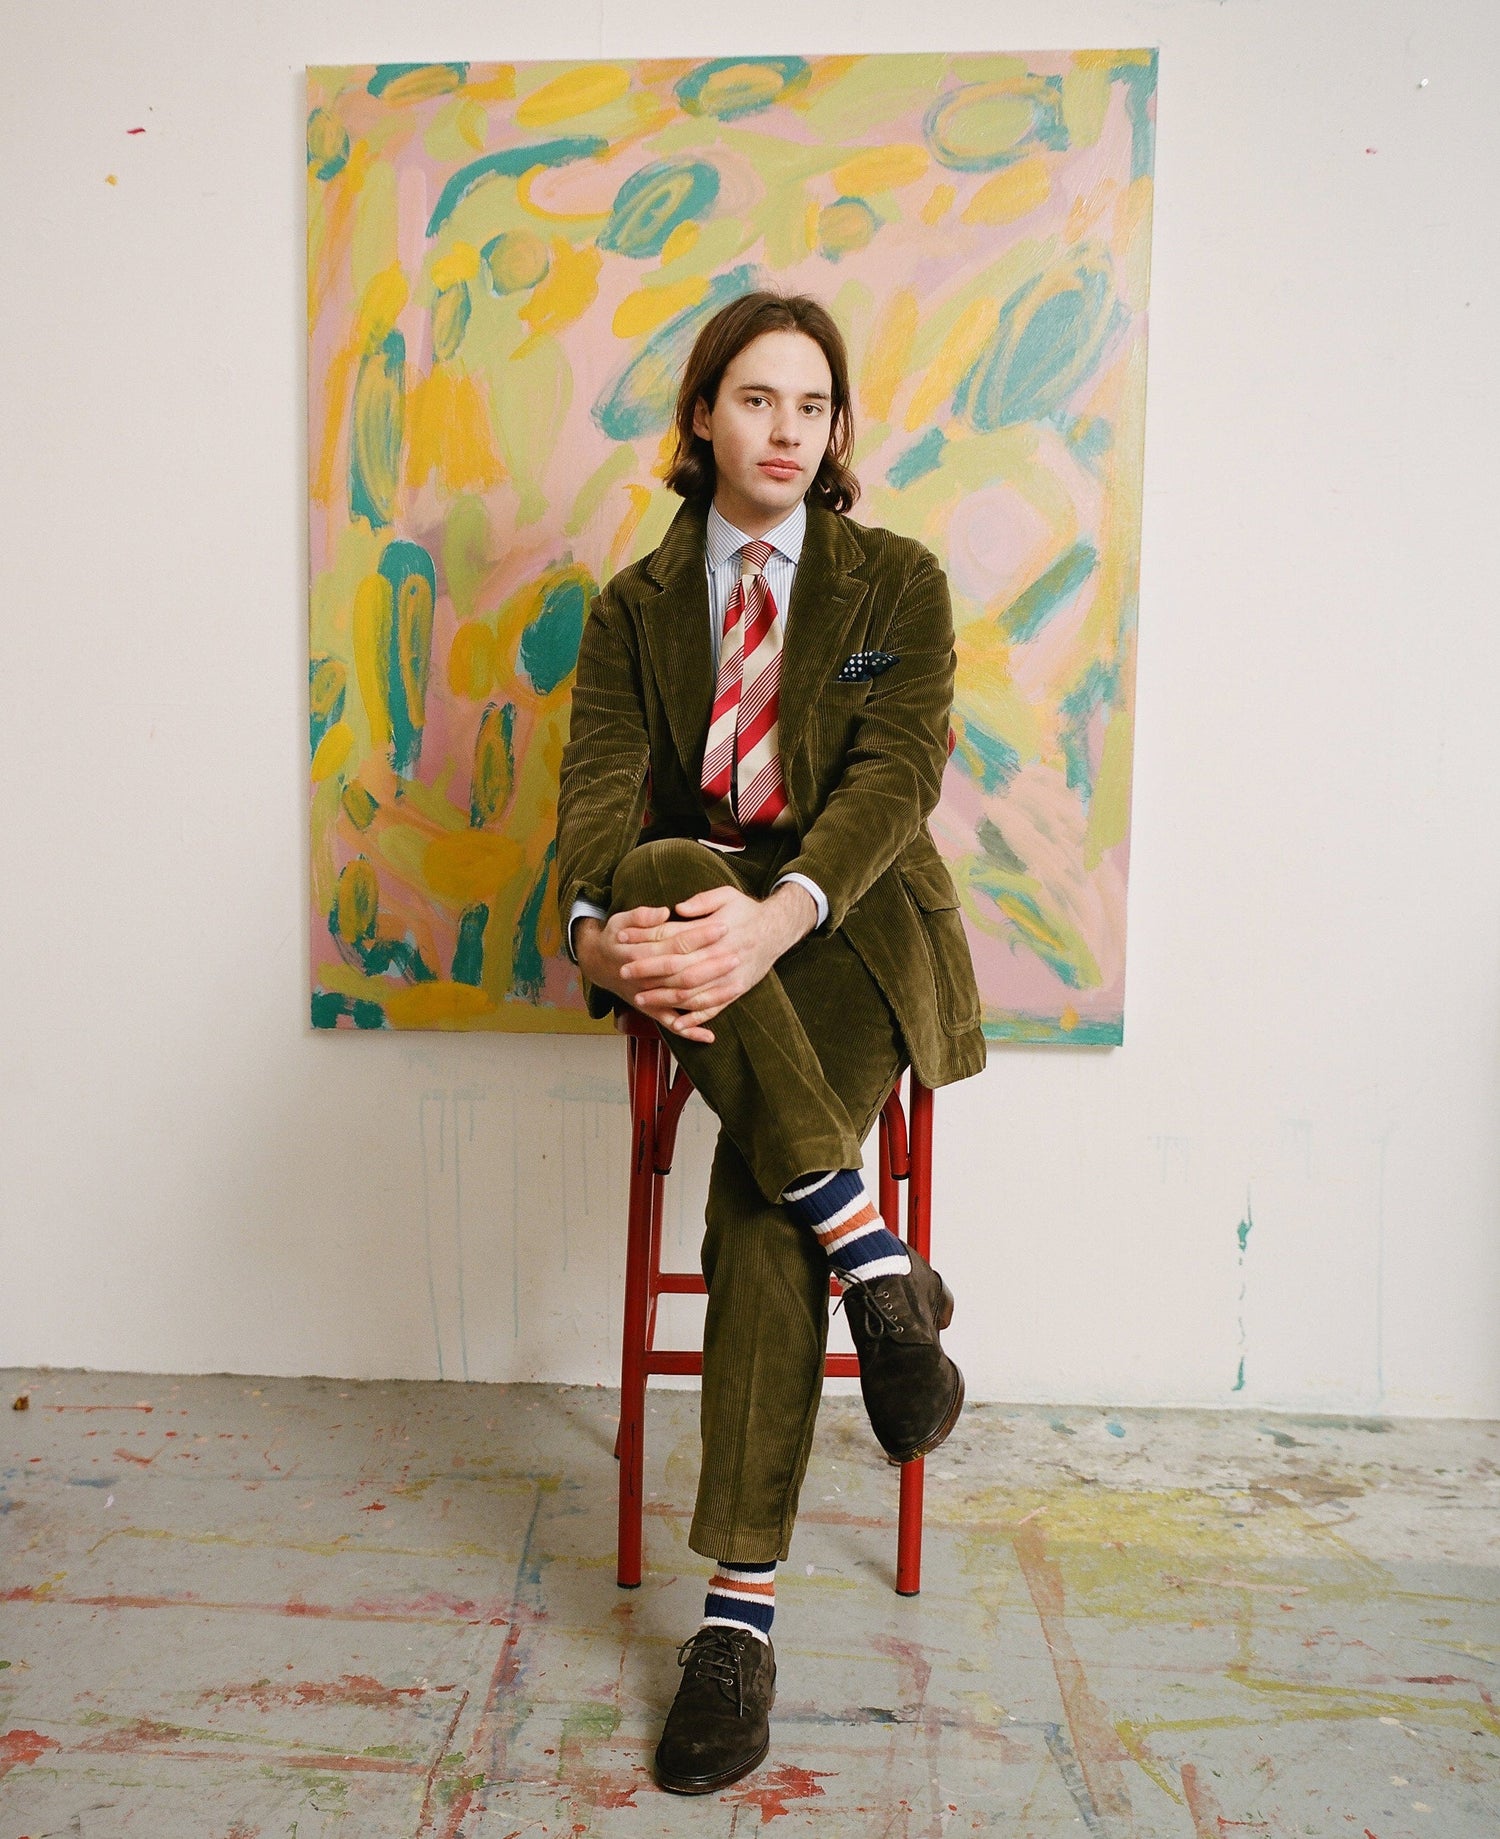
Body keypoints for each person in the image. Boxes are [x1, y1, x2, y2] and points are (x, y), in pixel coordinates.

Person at [555, 290, 985, 1794]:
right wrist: (596, 938)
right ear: (701, 416)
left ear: (839, 428)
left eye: (814, 405)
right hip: (697, 932)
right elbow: (597, 805)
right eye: (756, 399)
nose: (788, 431)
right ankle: (875, 1262)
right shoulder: (633, 609)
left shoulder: (893, 588)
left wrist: (780, 916)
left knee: (756, 1198)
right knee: (664, 862)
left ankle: (734, 1623)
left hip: (852, 928)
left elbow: (890, 787)